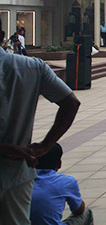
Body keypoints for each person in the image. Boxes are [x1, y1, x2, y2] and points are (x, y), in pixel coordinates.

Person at [0, 31, 81, 225]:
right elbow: (71, 103)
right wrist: (46, 145)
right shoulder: (31, 67)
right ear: (2, 35)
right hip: (17, 170)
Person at [30, 144, 94, 225]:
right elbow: (78, 210)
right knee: (86, 212)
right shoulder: (66, 181)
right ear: (59, 164)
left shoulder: (22, 180)